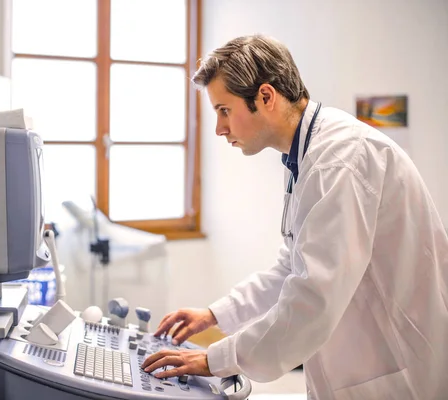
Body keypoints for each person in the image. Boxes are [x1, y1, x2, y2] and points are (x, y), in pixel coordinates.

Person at [141, 34, 448, 399]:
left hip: (398, 375)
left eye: (224, 110)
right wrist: (215, 314)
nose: (220, 128)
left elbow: (313, 298)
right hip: (362, 369)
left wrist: (217, 358)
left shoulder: (339, 160)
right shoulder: (306, 156)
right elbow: (292, 267)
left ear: (266, 97)